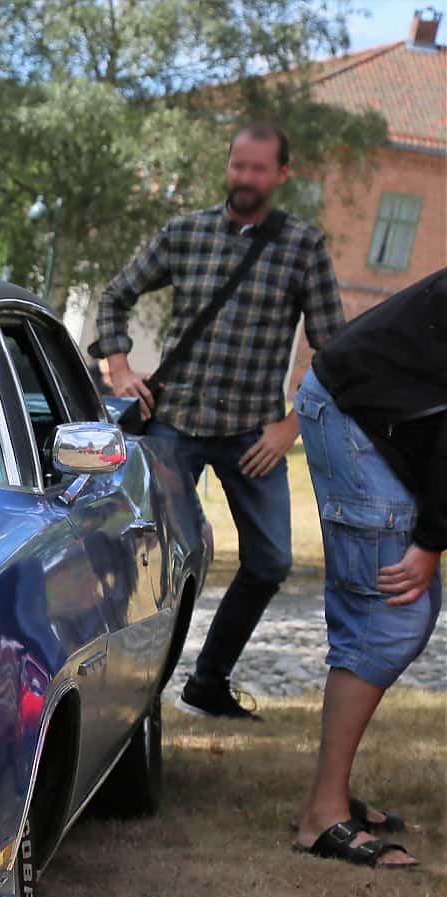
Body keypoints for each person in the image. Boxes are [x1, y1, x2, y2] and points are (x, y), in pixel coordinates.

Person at [92, 121, 345, 720]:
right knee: (148, 561)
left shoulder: (304, 247)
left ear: (282, 175)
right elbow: (114, 296)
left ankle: (208, 682)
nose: (246, 178)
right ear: (227, 165)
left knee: (271, 562)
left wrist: (290, 429)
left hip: (251, 432)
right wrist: (120, 369)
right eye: (238, 165)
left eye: (259, 169)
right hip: (171, 422)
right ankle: (131, 696)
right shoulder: (185, 233)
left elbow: (336, 352)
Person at [289, 268, 444, 870]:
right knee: (389, 616)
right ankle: (320, 817)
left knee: (399, 615)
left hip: (369, 409)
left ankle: (328, 794)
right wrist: (430, 540)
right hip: (350, 413)